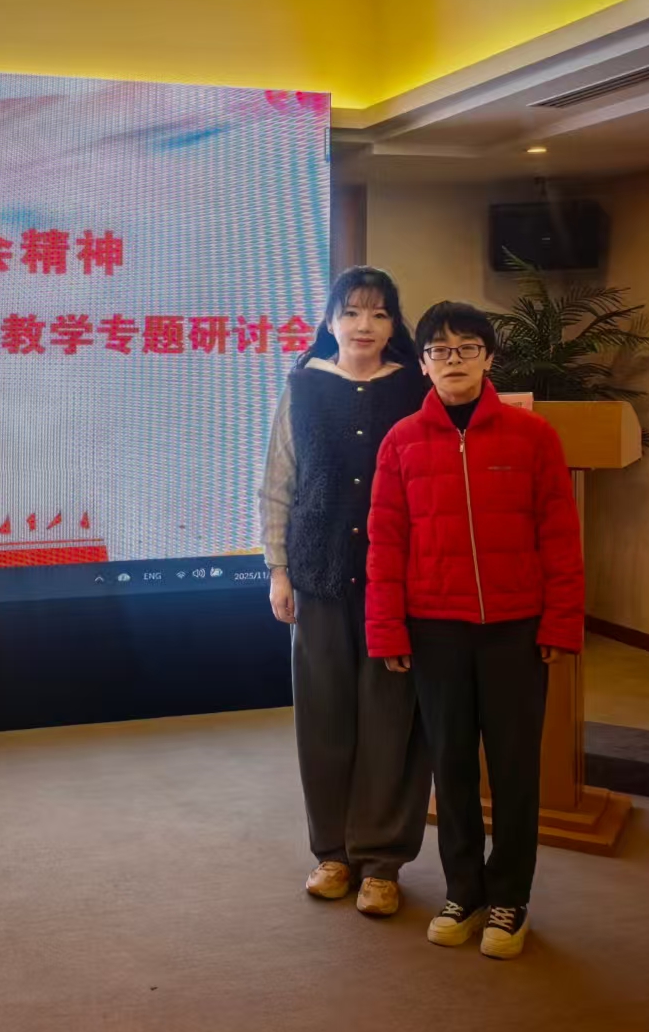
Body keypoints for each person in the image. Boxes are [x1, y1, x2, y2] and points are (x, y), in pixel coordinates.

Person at [365, 301, 584, 960]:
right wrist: (388, 631)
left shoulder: (532, 436)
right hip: (435, 631)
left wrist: (560, 621)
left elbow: (559, 536)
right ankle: (463, 889)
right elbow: (385, 544)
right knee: (452, 766)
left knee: (515, 769)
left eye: (466, 347)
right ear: (423, 363)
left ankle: (510, 896)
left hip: (515, 630)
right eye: (439, 349)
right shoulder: (400, 441)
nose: (452, 359)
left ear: (489, 357)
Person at [260, 266, 432, 917]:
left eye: (379, 313)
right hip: (318, 574)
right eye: (351, 312)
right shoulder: (304, 385)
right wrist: (278, 569)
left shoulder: (415, 387)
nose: (364, 325)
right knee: (324, 718)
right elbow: (278, 482)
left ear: (393, 325)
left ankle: (382, 861)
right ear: (330, 321)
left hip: (397, 580)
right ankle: (332, 852)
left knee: (393, 721)